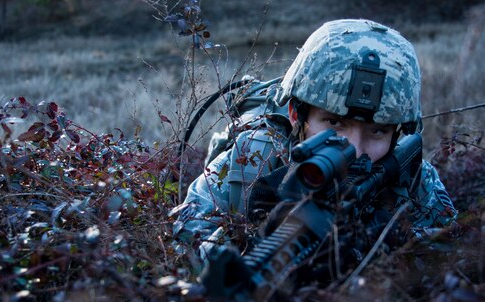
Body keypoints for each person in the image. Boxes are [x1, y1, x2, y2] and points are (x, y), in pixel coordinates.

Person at [172, 19, 457, 262]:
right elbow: (185, 245)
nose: (355, 150)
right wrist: (251, 242)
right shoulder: (249, 162)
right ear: (297, 115)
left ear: (398, 133)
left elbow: (456, 253)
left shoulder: (413, 178)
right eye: (334, 123)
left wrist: (394, 249)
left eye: (377, 131)